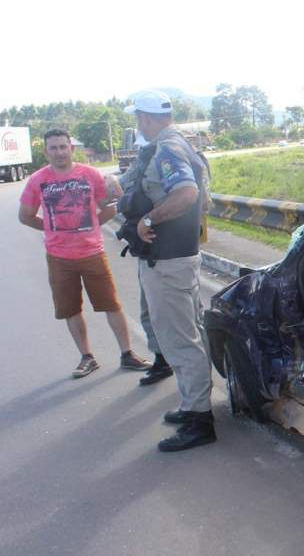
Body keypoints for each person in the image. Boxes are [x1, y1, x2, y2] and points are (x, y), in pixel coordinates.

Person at [122, 90, 215, 452]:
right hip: (178, 257)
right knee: (190, 333)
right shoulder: (180, 144)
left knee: (180, 340)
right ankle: (195, 406)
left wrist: (148, 217)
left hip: (169, 260)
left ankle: (199, 420)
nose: (137, 124)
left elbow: (187, 194)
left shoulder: (167, 149)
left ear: (145, 118)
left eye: (137, 118)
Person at [18, 129, 151, 378]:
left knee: (111, 304)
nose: (59, 152)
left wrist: (90, 225)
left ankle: (127, 354)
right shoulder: (37, 180)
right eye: (53, 148)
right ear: (46, 152)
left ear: (72, 148)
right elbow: (25, 216)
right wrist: (54, 229)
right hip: (58, 257)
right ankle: (87, 357)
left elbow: (110, 207)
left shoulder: (90, 175)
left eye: (62, 146)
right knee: (70, 309)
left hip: (92, 252)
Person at [106, 142, 174, 387]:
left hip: (168, 250)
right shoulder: (148, 158)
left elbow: (191, 197)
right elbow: (123, 185)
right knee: (152, 311)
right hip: (152, 248)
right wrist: (112, 181)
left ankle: (193, 389)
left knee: (178, 316)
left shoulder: (170, 156)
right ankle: (162, 360)